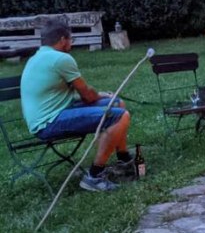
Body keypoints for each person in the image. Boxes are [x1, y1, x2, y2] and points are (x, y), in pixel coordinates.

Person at [20, 17, 132, 192]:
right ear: (63, 40)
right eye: (71, 39)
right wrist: (96, 94)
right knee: (120, 116)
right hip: (48, 123)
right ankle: (95, 176)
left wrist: (101, 95)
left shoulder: (38, 57)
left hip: (55, 112)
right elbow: (87, 96)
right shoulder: (60, 59)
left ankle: (123, 159)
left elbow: (64, 93)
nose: (71, 43)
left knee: (118, 103)